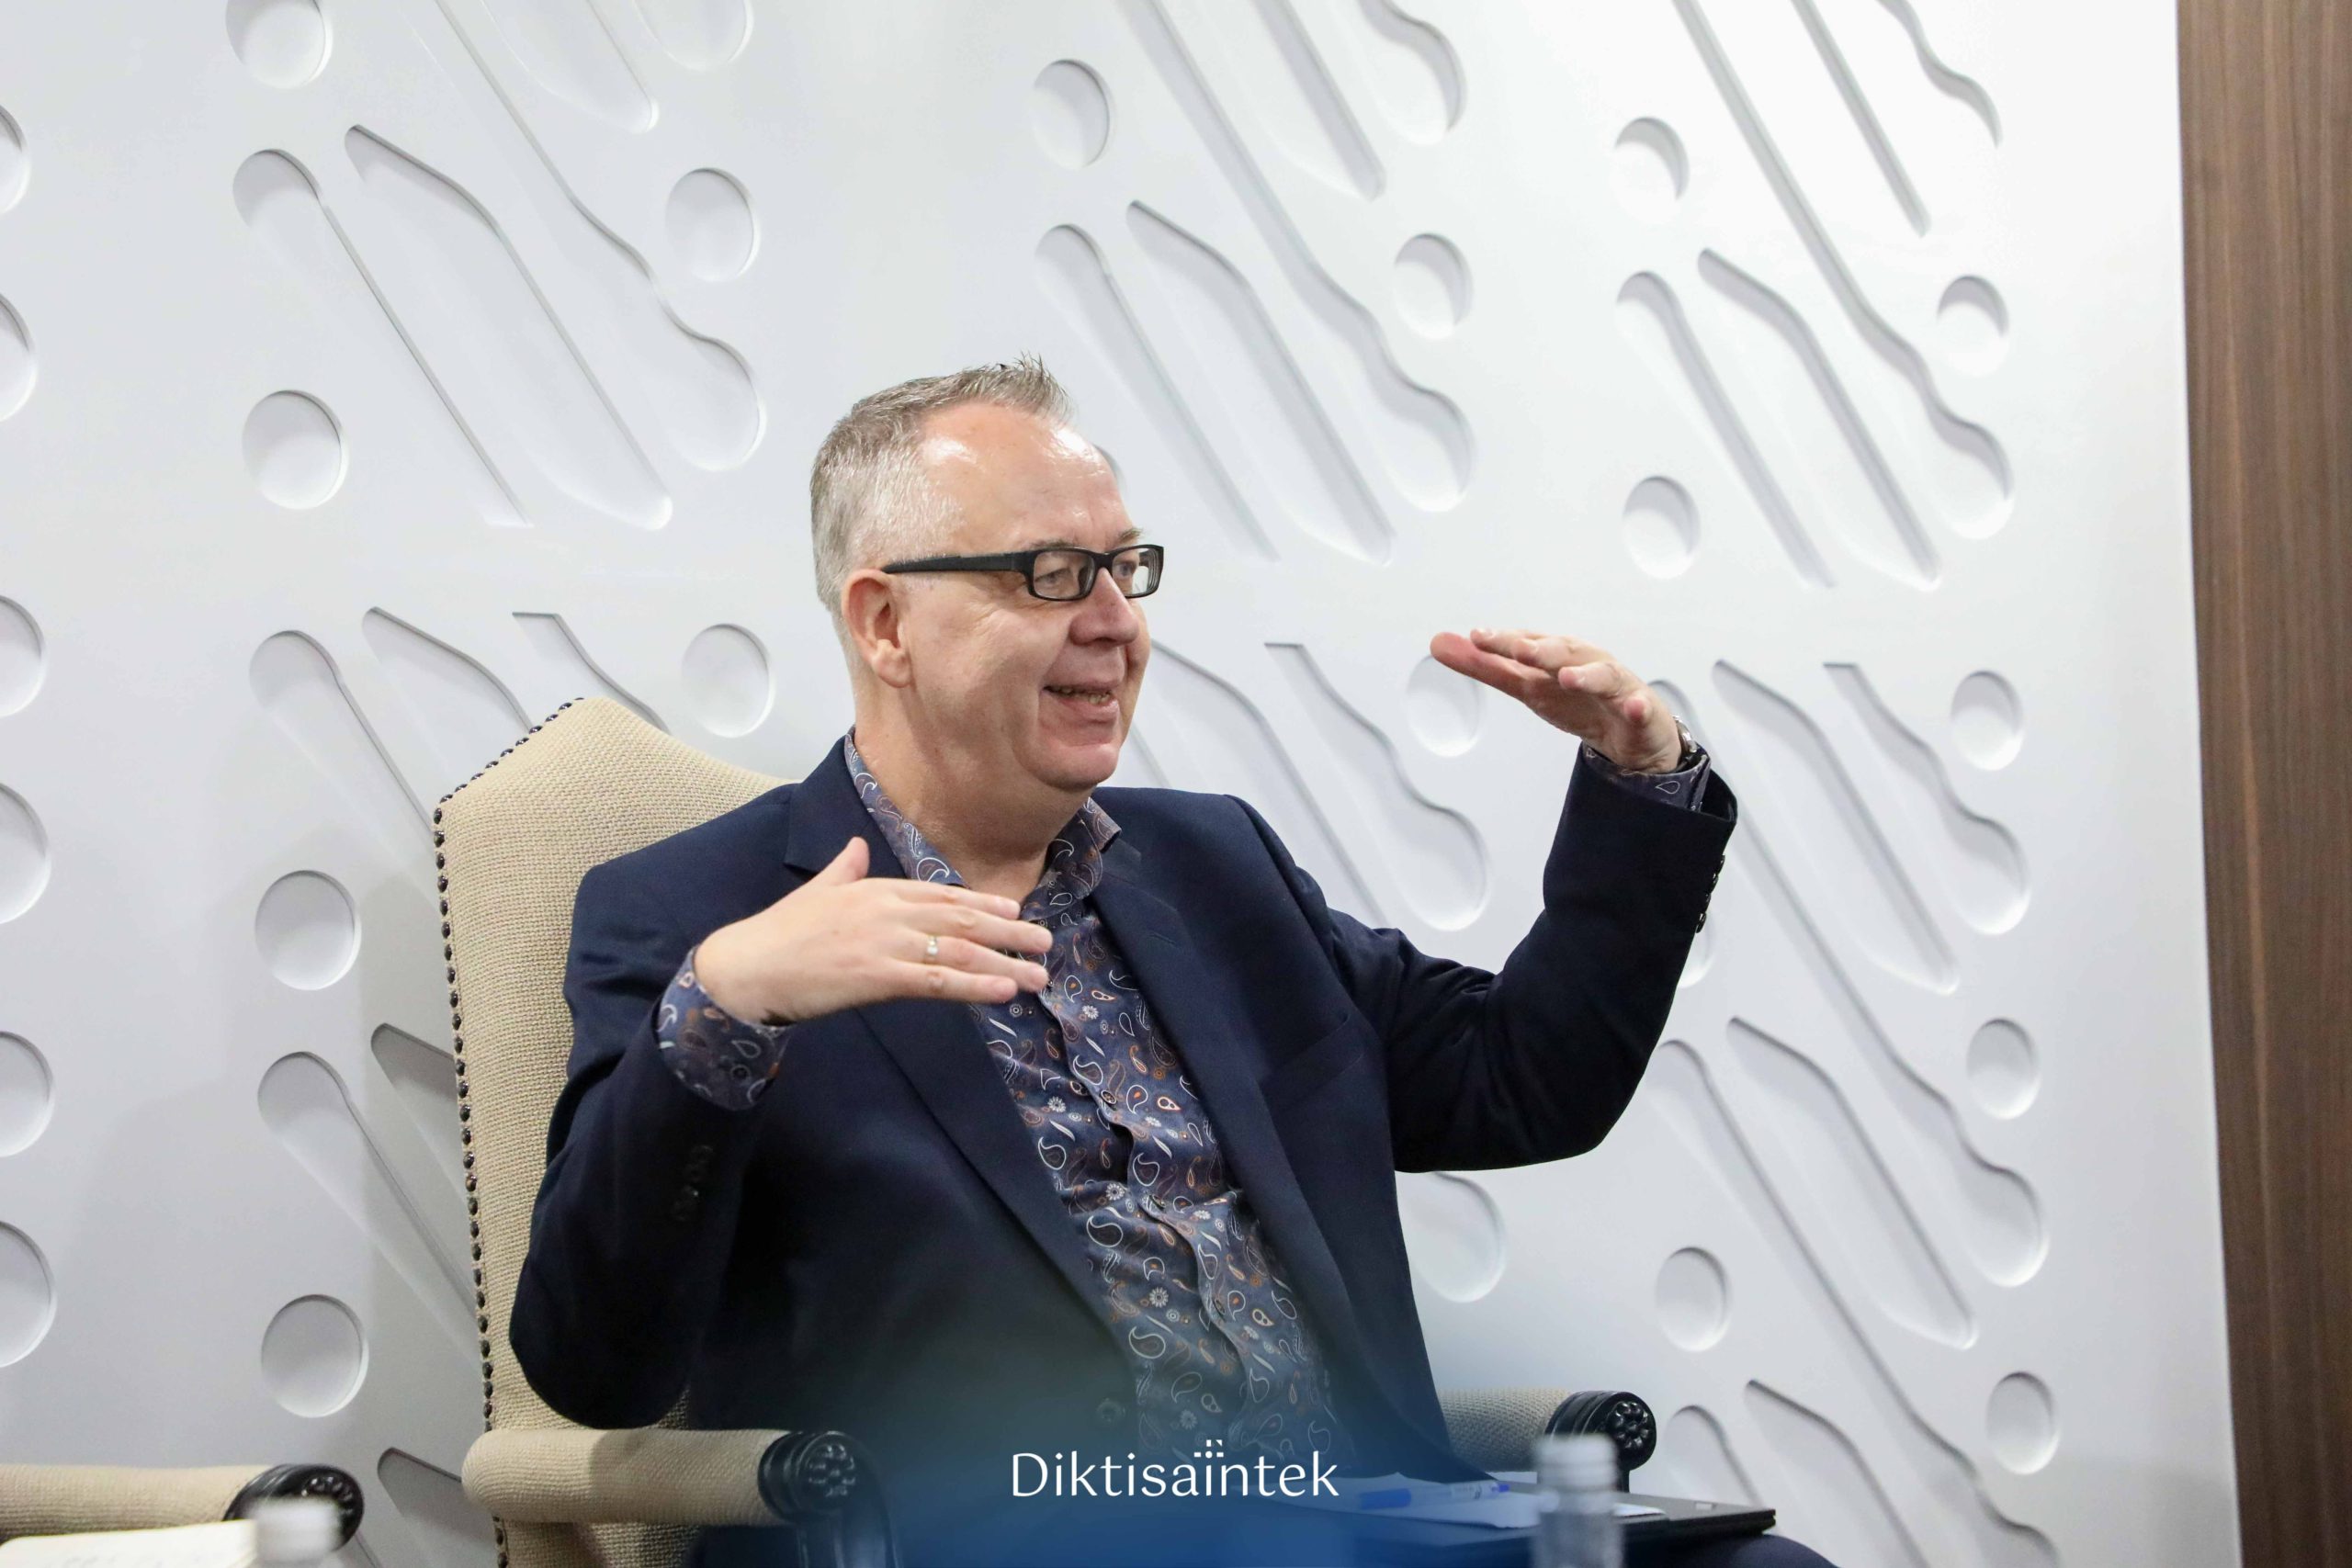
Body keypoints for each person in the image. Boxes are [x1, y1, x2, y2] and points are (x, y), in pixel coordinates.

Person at [512, 359, 1827, 1566]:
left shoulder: (1213, 869)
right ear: (885, 622)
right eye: (1049, 574)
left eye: (1124, 569)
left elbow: (1520, 1081)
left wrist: (1641, 779)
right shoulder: (706, 922)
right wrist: (727, 1014)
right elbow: (596, 1369)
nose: (1113, 622)